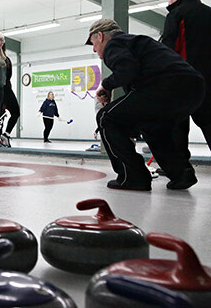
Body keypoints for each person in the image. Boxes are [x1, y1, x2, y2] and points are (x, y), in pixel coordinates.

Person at [87, 18, 204, 191]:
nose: (95, 50)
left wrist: (106, 84)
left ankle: (132, 177)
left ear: (100, 36)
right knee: (153, 126)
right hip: (193, 88)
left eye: (93, 44)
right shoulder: (136, 42)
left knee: (106, 117)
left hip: (165, 87)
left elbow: (127, 69)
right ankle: (181, 174)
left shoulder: (114, 44)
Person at [161, 0, 211, 158]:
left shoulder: (177, 14)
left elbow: (167, 49)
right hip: (208, 80)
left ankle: (181, 172)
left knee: (177, 126)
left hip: (183, 80)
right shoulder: (208, 12)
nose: (168, 3)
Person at [0, 44, 20, 147]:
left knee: (15, 112)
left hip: (7, 89)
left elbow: (9, 76)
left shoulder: (7, 60)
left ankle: (5, 134)